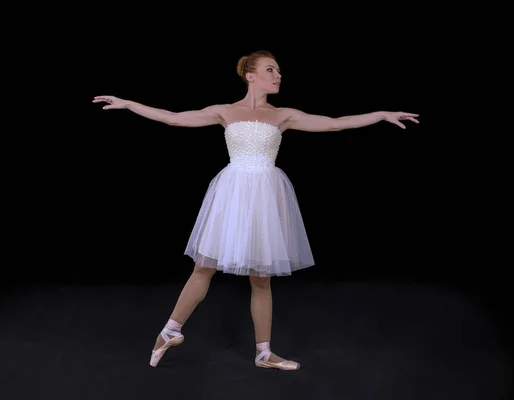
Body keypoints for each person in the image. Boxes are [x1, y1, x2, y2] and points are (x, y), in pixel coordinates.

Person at [92, 50, 419, 371]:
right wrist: (129, 104)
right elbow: (173, 117)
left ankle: (264, 353)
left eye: (278, 71)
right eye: (271, 70)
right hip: (232, 195)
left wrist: (379, 115)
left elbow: (334, 124)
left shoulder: (283, 115)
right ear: (251, 75)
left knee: (261, 279)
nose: (278, 75)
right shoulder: (224, 111)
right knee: (204, 267)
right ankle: (169, 331)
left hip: (264, 197)